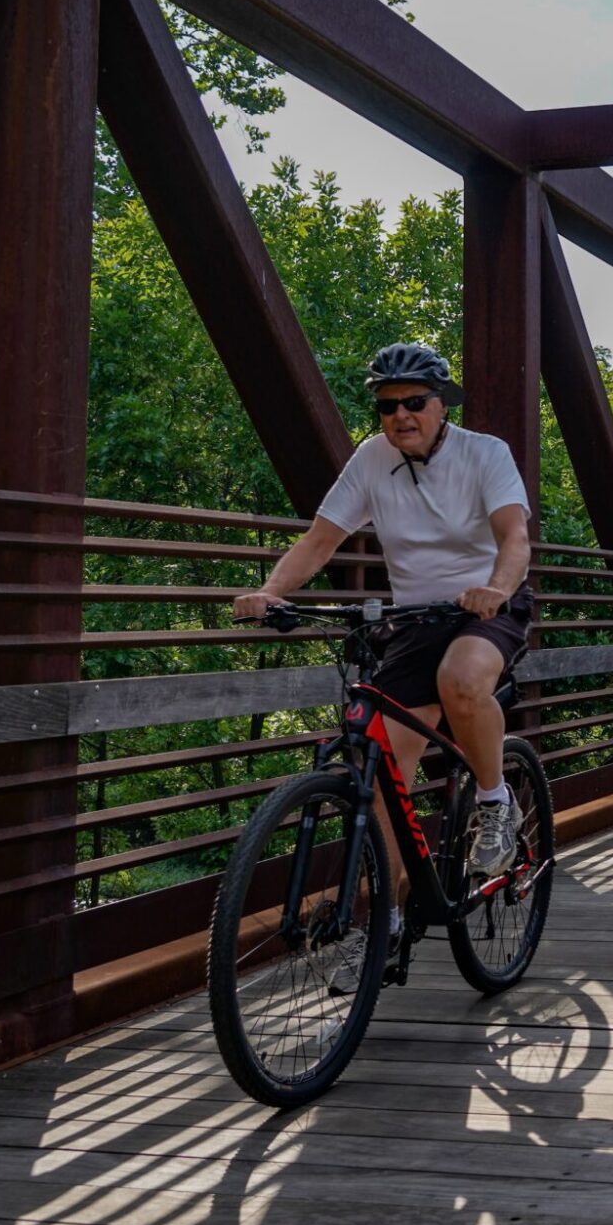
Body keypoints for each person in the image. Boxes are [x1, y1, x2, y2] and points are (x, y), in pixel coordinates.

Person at [232, 342, 535, 910]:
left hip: (488, 607)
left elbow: (513, 536)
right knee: (378, 774)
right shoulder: (372, 459)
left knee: (463, 679)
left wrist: (496, 588)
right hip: (415, 620)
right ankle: (385, 923)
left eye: (415, 402)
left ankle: (495, 803)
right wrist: (271, 592)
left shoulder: (485, 453)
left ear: (442, 404)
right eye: (388, 406)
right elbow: (321, 540)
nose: (401, 416)